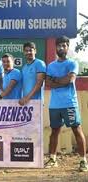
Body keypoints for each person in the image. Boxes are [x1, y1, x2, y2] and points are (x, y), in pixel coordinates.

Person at [44, 36, 88, 172]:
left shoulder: (72, 63)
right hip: (55, 105)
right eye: (59, 46)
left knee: (76, 129)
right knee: (54, 131)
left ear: (67, 47)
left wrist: (56, 80)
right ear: (56, 48)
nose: (61, 48)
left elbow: (69, 80)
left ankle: (83, 161)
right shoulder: (51, 66)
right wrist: (60, 80)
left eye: (64, 45)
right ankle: (52, 159)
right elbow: (48, 84)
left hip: (70, 103)